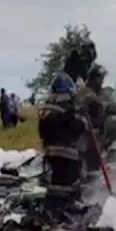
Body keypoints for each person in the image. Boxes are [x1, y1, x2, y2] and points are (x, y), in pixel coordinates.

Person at [38, 72, 88, 218]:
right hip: (68, 154)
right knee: (69, 187)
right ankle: (67, 213)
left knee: (55, 185)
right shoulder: (69, 107)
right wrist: (82, 116)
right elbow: (79, 127)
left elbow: (43, 130)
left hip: (50, 154)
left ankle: (52, 211)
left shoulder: (46, 107)